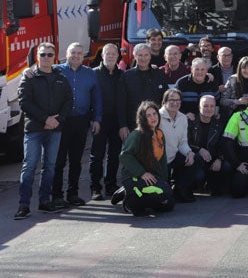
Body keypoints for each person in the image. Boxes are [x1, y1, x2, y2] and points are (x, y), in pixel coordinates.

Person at [15, 43, 72, 220]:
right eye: (43, 54)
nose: (46, 57)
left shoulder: (61, 77)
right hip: (34, 129)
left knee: (50, 166)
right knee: (30, 166)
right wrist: (45, 119)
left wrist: (57, 120)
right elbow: (24, 102)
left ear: (54, 57)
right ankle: (23, 206)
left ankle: (44, 202)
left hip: (55, 129)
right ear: (37, 57)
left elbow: (68, 101)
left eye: (49, 54)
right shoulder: (29, 77)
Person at [48, 42, 102, 209]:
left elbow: (97, 98)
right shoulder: (56, 70)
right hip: (61, 122)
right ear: (67, 53)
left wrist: (97, 119)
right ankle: (56, 195)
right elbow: (38, 73)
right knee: (59, 161)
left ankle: (73, 193)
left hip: (81, 121)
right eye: (73, 52)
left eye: (79, 53)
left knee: (76, 160)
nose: (76, 56)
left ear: (83, 55)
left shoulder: (90, 74)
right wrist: (28, 71)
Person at [114, 102, 175, 217]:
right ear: (143, 118)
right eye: (148, 115)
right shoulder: (137, 135)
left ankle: (136, 197)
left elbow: (162, 161)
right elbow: (125, 156)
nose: (153, 118)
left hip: (151, 177)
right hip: (134, 177)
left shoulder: (159, 134)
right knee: (164, 192)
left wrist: (164, 181)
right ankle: (130, 201)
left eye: (154, 114)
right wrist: (142, 173)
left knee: (169, 203)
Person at [90, 43, 124, 201]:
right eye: (107, 54)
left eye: (113, 54)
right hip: (99, 121)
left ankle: (111, 184)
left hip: (117, 122)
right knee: (97, 155)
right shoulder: (93, 74)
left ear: (118, 56)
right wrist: (93, 119)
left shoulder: (122, 75)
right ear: (102, 56)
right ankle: (95, 187)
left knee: (115, 155)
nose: (110, 56)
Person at [120, 44, 169, 140]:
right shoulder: (127, 76)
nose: (143, 58)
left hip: (157, 125)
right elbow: (121, 103)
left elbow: (166, 99)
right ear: (135, 56)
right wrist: (123, 125)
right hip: (133, 125)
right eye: (140, 55)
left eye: (146, 55)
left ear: (150, 56)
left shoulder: (159, 74)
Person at [158, 88, 197, 202]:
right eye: (171, 100)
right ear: (164, 102)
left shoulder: (182, 118)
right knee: (164, 199)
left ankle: (180, 190)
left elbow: (182, 142)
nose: (175, 103)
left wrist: (189, 153)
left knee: (195, 159)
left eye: (178, 100)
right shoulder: (157, 117)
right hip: (159, 161)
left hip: (174, 157)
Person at [187, 95, 226, 195]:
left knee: (227, 166)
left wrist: (219, 159)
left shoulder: (219, 124)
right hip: (195, 160)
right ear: (199, 107)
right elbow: (185, 142)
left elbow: (223, 144)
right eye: (205, 106)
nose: (209, 109)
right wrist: (199, 149)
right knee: (199, 176)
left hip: (212, 160)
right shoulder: (190, 122)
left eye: (212, 106)